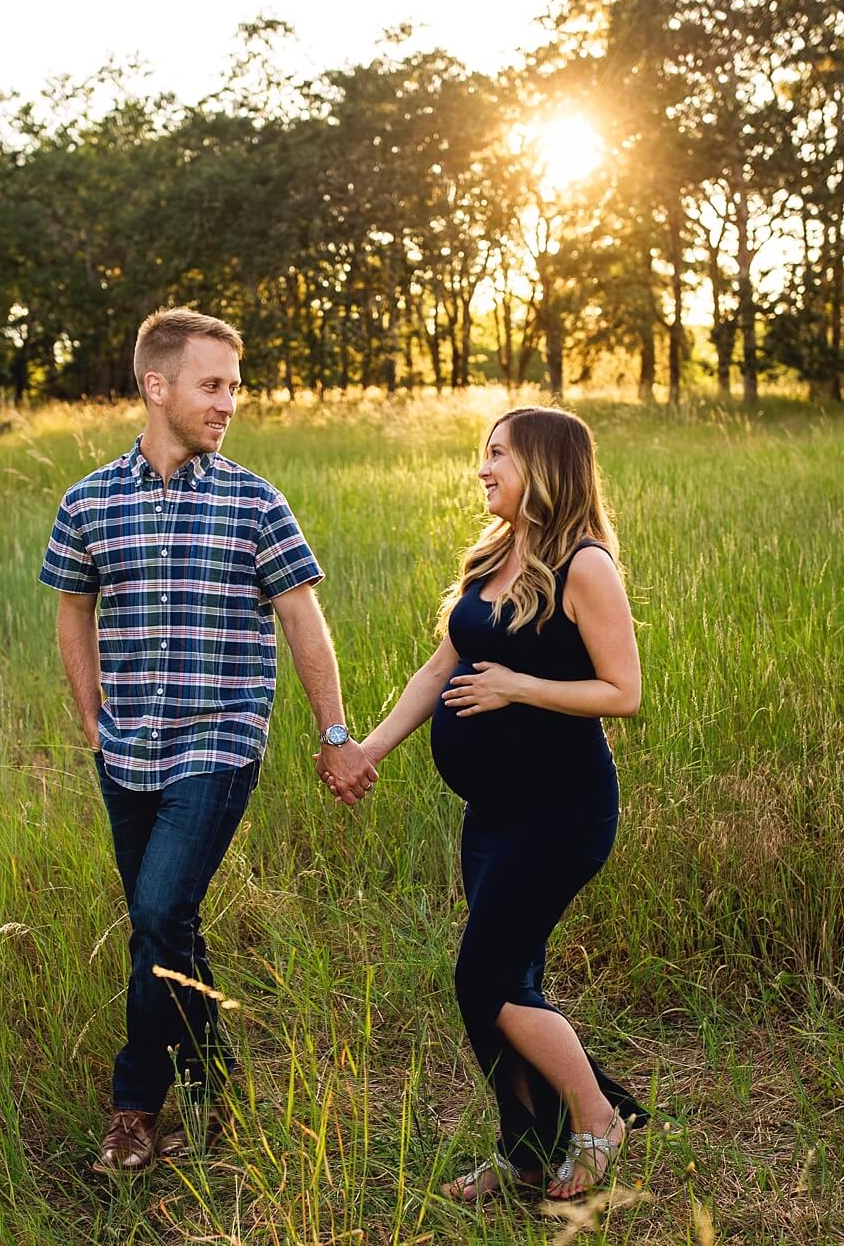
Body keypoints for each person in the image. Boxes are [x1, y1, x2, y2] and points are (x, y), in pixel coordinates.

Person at [38, 307, 378, 1175]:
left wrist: (336, 734)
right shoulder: (88, 501)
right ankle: (214, 1079)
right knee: (167, 923)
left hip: (218, 742)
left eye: (234, 385)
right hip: (127, 749)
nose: (230, 401)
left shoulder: (254, 500)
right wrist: (91, 720)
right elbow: (73, 611)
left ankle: (134, 1104)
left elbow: (305, 618)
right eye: (212, 384)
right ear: (158, 387)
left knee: (155, 912)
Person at [356, 405, 649, 1202]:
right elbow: (435, 670)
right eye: (482, 453)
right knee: (506, 981)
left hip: (561, 812)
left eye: (498, 455)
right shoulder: (494, 555)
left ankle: (599, 1122)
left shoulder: (583, 565)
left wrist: (519, 684)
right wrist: (367, 750)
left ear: (545, 467)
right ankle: (526, 1154)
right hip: (492, 817)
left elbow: (623, 691)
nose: (482, 468)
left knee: (485, 981)